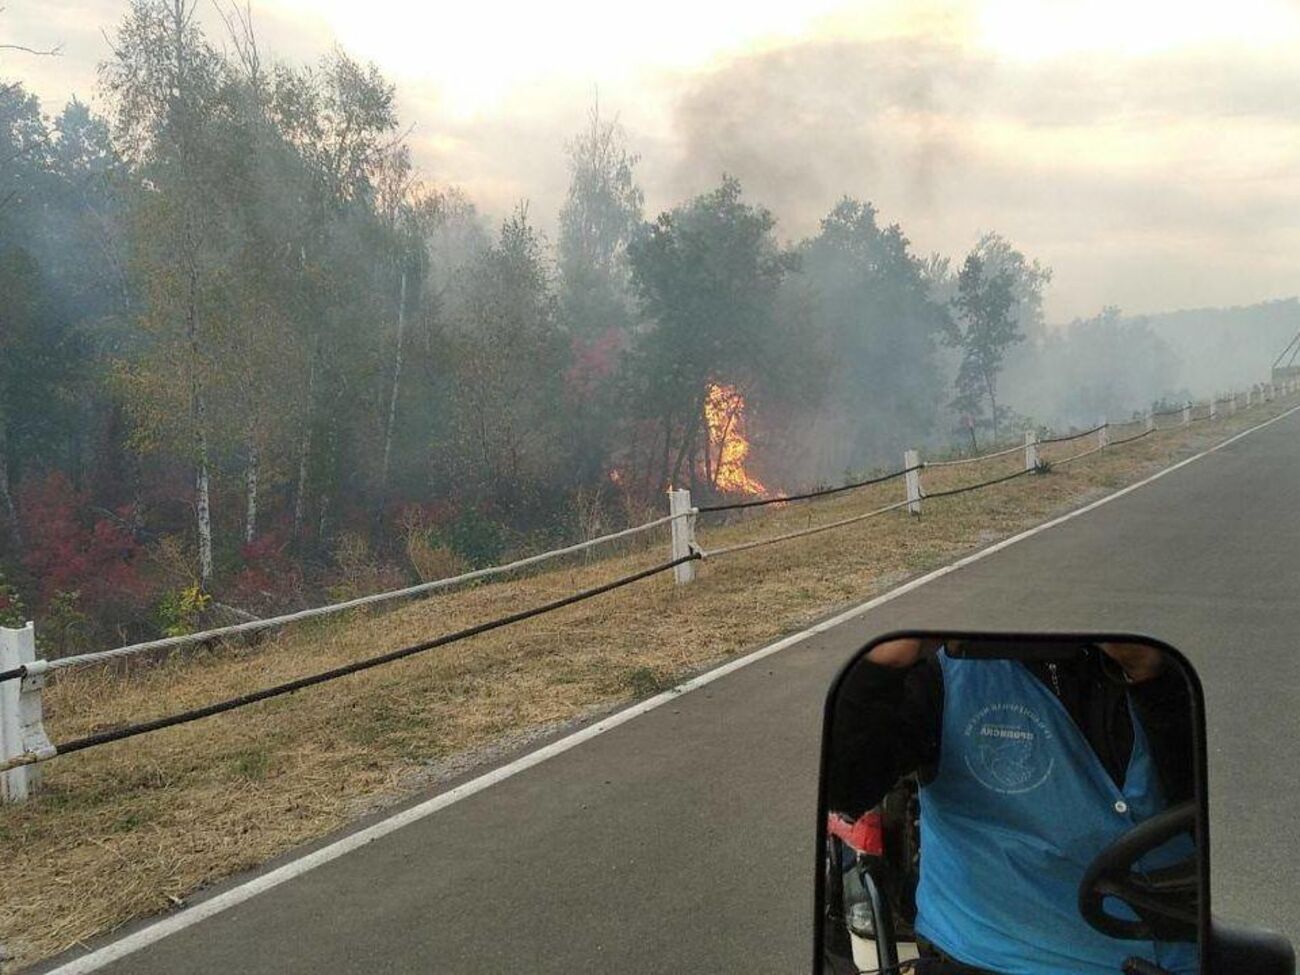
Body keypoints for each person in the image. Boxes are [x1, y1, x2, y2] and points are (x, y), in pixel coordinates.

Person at [827, 638, 1197, 975]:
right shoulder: (945, 670)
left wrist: (1153, 677)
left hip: (1186, 948)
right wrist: (884, 665)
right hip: (988, 957)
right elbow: (846, 789)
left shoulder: (1178, 662)